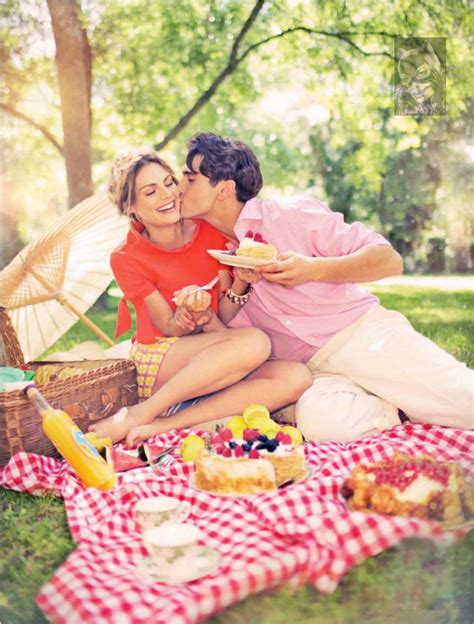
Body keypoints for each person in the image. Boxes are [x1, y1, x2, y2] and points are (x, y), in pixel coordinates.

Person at [178, 132, 473, 443]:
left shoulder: (291, 215)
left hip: (361, 336)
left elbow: (388, 259)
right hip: (315, 371)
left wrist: (312, 269)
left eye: (190, 178)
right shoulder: (216, 252)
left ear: (224, 189)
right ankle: (400, 407)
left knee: (464, 401)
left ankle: (416, 396)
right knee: (322, 425)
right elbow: (233, 336)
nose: (180, 186)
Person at [90, 148, 311, 446]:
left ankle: (165, 425)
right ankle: (140, 413)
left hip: (211, 353)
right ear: (130, 205)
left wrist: (239, 285)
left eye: (169, 183)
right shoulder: (126, 257)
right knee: (255, 341)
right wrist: (184, 316)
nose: (167, 195)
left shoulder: (209, 231)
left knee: (296, 377)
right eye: (151, 191)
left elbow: (222, 312)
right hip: (163, 356)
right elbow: (168, 327)